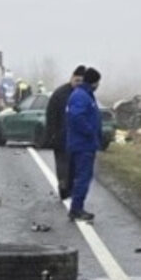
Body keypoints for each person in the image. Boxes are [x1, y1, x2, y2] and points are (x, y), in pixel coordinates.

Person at [66, 68, 102, 222]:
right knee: (83, 177)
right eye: (97, 82)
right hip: (82, 144)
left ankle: (77, 207)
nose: (98, 85)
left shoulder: (84, 95)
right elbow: (77, 117)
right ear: (93, 82)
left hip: (83, 143)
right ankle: (76, 209)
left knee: (82, 177)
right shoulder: (82, 96)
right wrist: (90, 131)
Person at [45, 65, 86, 199]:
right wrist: (51, 134)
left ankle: (71, 188)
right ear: (72, 79)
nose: (79, 84)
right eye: (77, 81)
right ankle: (63, 186)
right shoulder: (60, 94)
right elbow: (51, 115)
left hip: (78, 138)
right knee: (62, 164)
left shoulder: (85, 94)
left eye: (82, 81)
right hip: (61, 137)